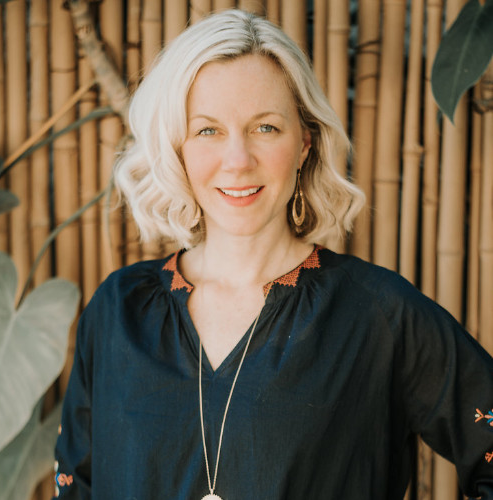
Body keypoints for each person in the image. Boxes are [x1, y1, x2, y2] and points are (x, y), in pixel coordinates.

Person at [53, 9, 493, 500]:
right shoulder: (118, 312)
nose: (238, 160)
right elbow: (74, 485)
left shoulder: (377, 315)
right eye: (207, 130)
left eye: (265, 128)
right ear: (177, 148)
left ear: (304, 143)